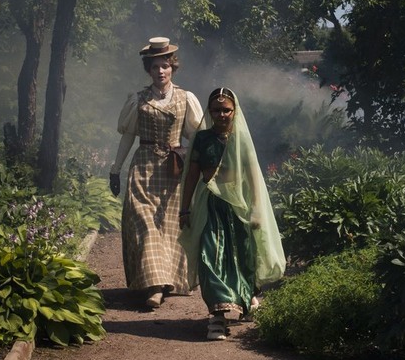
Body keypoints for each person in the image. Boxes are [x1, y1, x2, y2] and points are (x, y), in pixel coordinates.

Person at [180, 88, 286, 340]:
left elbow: (253, 179)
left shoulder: (241, 140)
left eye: (226, 110)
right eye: (216, 110)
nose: (221, 114)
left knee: (241, 255)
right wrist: (185, 208)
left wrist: (258, 209)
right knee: (209, 256)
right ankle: (217, 317)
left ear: (234, 111)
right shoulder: (203, 139)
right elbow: (192, 176)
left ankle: (246, 297)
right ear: (210, 111)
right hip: (210, 206)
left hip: (238, 206)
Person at [109, 37, 204, 310]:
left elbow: (195, 135)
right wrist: (116, 170)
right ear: (148, 70)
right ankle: (154, 286)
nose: (160, 72)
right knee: (146, 225)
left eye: (165, 66)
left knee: (169, 227)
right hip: (143, 168)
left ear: (172, 67)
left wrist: (204, 165)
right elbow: (128, 136)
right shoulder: (138, 100)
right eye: (155, 67)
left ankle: (169, 280)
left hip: (174, 171)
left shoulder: (186, 99)